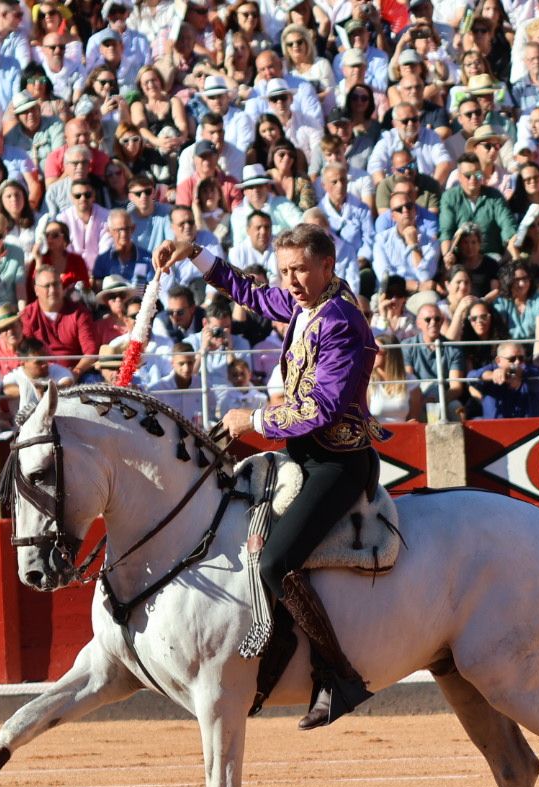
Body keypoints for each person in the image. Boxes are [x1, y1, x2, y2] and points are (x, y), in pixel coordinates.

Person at [155, 223, 382, 731]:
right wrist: (195, 253)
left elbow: (322, 408)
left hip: (336, 461)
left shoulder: (340, 321)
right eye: (285, 271)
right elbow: (251, 292)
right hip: (306, 455)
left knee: (276, 559)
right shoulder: (308, 305)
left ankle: (338, 675)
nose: (291, 281)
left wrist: (252, 420)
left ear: (327, 265)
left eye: (300, 269)